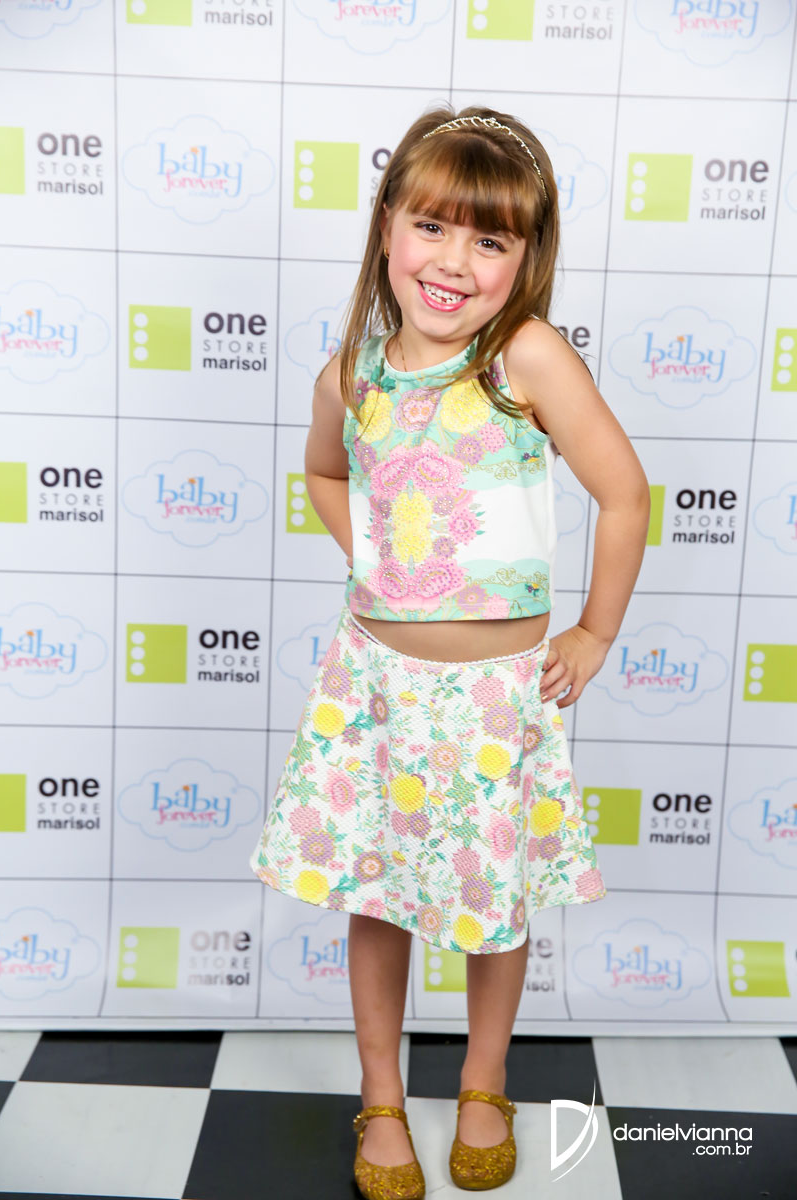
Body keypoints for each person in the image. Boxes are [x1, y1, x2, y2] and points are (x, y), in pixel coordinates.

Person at [249, 104, 650, 1197]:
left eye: (488, 239)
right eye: (430, 226)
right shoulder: (354, 373)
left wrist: (595, 630)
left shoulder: (523, 358)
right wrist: (377, 555)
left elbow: (623, 493)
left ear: (526, 255)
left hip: (492, 696)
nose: (453, 262)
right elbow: (325, 472)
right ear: (387, 224)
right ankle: (380, 1094)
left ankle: (483, 1079)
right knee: (377, 895)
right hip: (375, 686)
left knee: (491, 898)